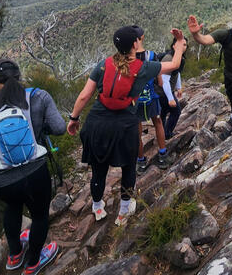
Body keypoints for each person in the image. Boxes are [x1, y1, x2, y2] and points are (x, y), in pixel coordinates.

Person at [67, 26, 186, 226]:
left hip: (97, 122)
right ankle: (123, 212)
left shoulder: (103, 65)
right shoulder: (144, 67)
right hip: (124, 124)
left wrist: (74, 119)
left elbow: (84, 96)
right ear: (134, 44)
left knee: (98, 169)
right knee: (128, 167)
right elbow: (174, 64)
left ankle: (97, 207)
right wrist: (180, 44)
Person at [0, 59, 65, 275]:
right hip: (35, 172)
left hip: (3, 179)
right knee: (40, 216)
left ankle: (14, 255)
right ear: (19, 77)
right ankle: (33, 263)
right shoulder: (38, 96)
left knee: (12, 209)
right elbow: (60, 128)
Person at [130, 26, 168, 173]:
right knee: (158, 123)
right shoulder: (152, 56)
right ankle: (163, 155)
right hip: (151, 98)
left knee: (137, 130)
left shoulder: (127, 59)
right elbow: (160, 81)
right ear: (142, 37)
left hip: (134, 101)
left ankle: (141, 161)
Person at [157, 36, 187, 140]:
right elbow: (164, 81)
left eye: (185, 45)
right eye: (180, 45)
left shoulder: (179, 58)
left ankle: (162, 134)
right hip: (161, 91)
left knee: (163, 112)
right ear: (174, 46)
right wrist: (170, 98)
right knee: (176, 111)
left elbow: (176, 73)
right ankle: (167, 134)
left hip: (167, 90)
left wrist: (178, 87)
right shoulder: (169, 58)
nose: (183, 47)